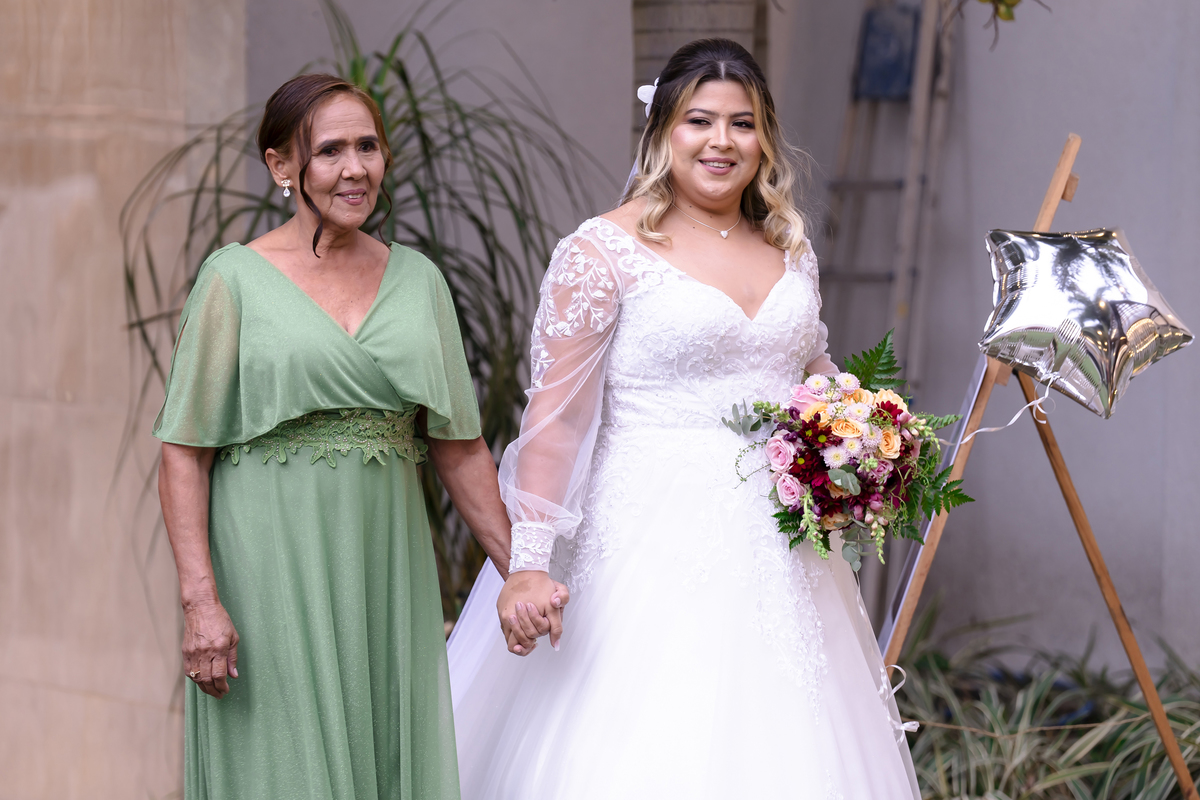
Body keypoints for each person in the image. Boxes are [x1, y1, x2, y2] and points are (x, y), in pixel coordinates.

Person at [448, 39, 920, 798]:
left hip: (781, 545)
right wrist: (529, 561)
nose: (721, 142)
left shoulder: (789, 250)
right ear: (663, 129)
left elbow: (810, 374)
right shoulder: (603, 250)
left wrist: (866, 429)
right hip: (644, 535)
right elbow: (555, 419)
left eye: (741, 123)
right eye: (700, 121)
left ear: (764, 138)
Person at [155, 73, 564, 800]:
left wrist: (521, 569)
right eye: (330, 151)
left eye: (368, 146)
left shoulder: (420, 281)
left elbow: (459, 446)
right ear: (283, 167)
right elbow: (184, 451)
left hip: (383, 562)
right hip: (265, 563)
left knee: (383, 753)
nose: (355, 168)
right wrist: (201, 602)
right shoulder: (233, 280)